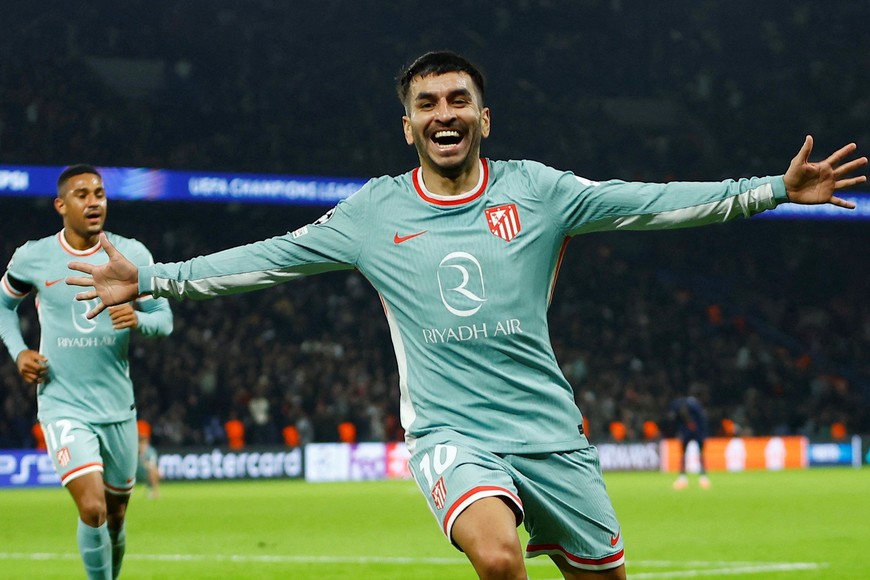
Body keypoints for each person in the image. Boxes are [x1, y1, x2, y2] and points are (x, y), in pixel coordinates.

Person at [66, 52, 866, 580]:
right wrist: (156, 278)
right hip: (454, 436)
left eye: (458, 100)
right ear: (407, 125)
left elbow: (652, 204)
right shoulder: (373, 213)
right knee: (498, 559)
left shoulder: (540, 191)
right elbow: (266, 259)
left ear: (485, 119)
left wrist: (772, 189)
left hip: (551, 434)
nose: (443, 113)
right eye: (426, 104)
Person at [0, 164, 173, 579]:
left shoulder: (132, 254)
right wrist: (19, 351)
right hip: (63, 404)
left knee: (114, 518)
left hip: (117, 407)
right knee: (92, 508)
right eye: (82, 194)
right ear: (61, 205)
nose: (94, 201)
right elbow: (4, 305)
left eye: (99, 193)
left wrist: (137, 319)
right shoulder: (34, 256)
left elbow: (163, 320)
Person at [669, 394, 710, 490]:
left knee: (696, 454)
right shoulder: (694, 409)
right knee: (687, 454)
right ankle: (686, 478)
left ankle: (701, 477)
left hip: (696, 432)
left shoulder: (694, 410)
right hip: (690, 432)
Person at [136, 420, 161, 499]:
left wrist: (142, 456)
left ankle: (154, 492)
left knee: (154, 470)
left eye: (143, 439)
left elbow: (152, 465)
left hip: (144, 473)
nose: (141, 442)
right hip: (132, 473)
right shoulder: (130, 450)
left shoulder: (150, 451)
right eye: (139, 439)